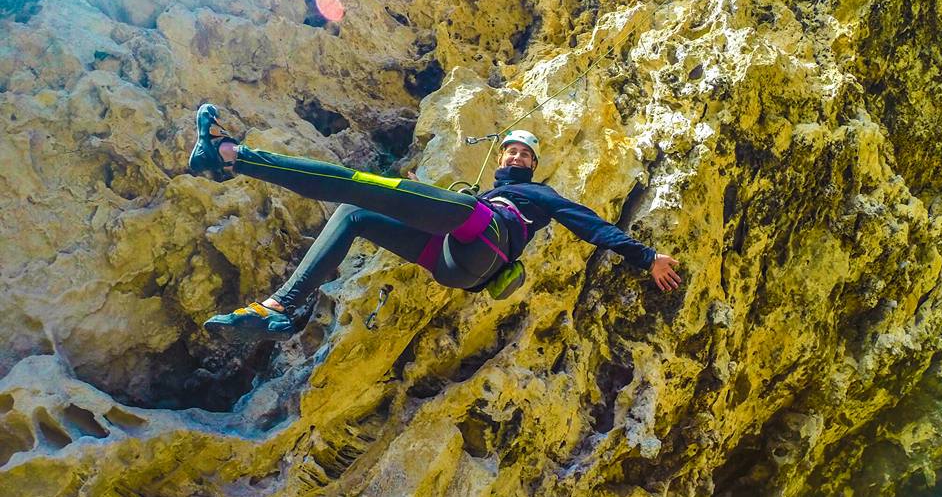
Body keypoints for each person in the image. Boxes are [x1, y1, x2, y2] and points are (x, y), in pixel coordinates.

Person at [189, 104, 682, 340]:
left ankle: (231, 155)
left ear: (532, 164)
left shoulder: (539, 194)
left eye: (523, 152)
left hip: (485, 237)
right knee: (355, 212)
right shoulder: (488, 192)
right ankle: (279, 309)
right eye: (510, 148)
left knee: (358, 184)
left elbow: (590, 226)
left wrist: (646, 257)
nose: (515, 154)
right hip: (451, 263)